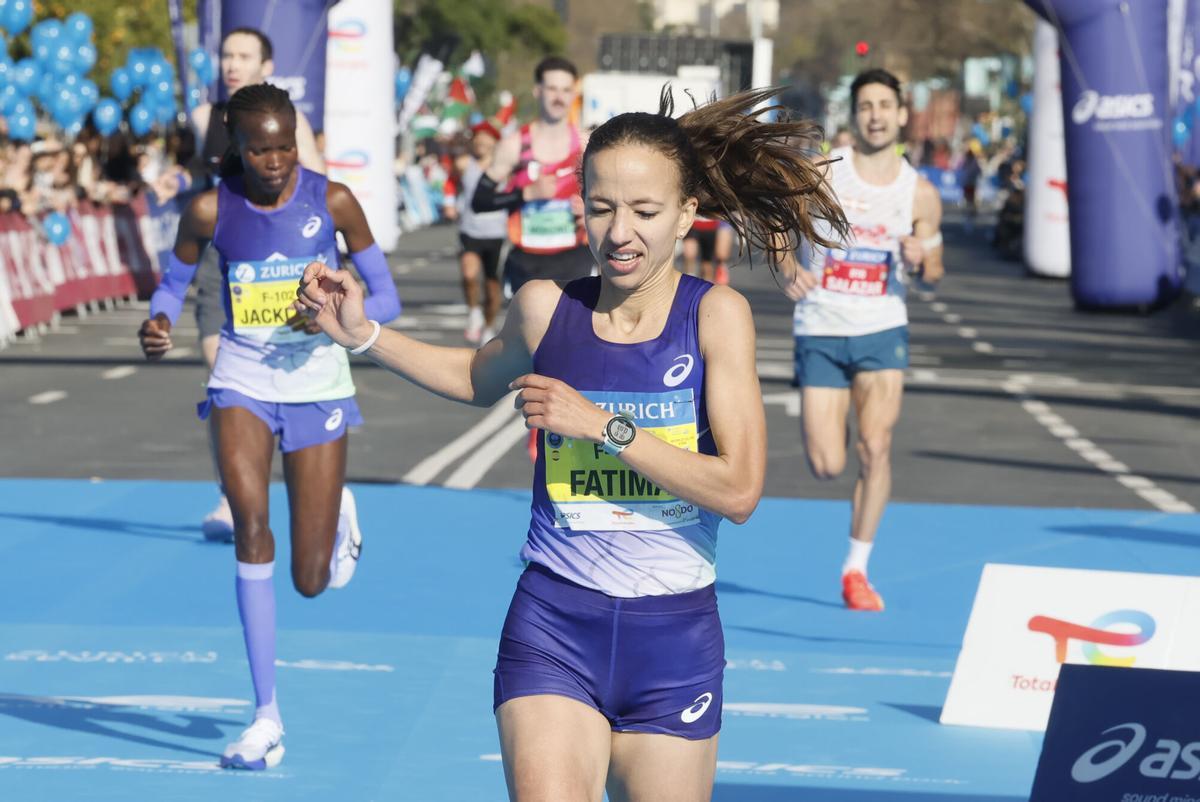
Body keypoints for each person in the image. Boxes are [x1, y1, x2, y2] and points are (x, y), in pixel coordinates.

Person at [296, 86, 845, 801]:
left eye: (645, 212)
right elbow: (473, 375)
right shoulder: (545, 308)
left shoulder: (716, 317)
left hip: (673, 640)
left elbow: (738, 490)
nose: (620, 232)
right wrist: (362, 334)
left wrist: (605, 428)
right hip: (554, 626)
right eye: (602, 207)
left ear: (685, 215)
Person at [137, 84, 400, 770]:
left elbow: (388, 297)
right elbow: (172, 282)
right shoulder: (209, 209)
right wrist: (160, 320)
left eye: (286, 145)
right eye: (261, 149)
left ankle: (338, 508)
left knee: (311, 579)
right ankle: (265, 716)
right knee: (251, 525)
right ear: (236, 148)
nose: (277, 159)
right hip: (243, 382)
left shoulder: (333, 201)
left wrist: (338, 303)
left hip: (316, 387)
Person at [154, 26, 327, 542]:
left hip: (280, 261)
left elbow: (315, 185)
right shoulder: (209, 117)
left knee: (291, 378)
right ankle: (234, 496)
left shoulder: (290, 124)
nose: (231, 63)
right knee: (223, 379)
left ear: (265, 65)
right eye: (226, 54)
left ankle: (319, 482)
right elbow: (198, 171)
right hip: (220, 258)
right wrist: (175, 180)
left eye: (243, 55)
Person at [780, 68, 944, 612]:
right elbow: (780, 222)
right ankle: (839, 420)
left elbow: (934, 267)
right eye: (866, 105)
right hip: (823, 326)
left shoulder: (919, 192)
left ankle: (856, 569)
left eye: (884, 105)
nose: (875, 114)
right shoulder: (824, 173)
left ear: (901, 115)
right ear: (855, 115)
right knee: (827, 462)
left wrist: (923, 261)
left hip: (882, 327)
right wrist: (786, 269)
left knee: (875, 448)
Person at [471, 56, 593, 295]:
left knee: (571, 331)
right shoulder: (515, 145)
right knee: (530, 331)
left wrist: (591, 207)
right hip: (527, 260)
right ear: (538, 91)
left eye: (566, 90)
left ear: (573, 94)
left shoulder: (585, 145)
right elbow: (479, 201)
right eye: (552, 89)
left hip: (574, 256)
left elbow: (616, 197)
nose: (559, 97)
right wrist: (525, 193)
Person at [443, 120, 508, 343]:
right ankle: (474, 313)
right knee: (469, 274)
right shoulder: (464, 163)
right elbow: (450, 182)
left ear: (494, 142)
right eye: (477, 138)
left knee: (492, 286)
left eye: (485, 138)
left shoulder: (504, 167)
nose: (480, 142)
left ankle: (489, 326)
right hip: (470, 230)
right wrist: (449, 202)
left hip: (498, 233)